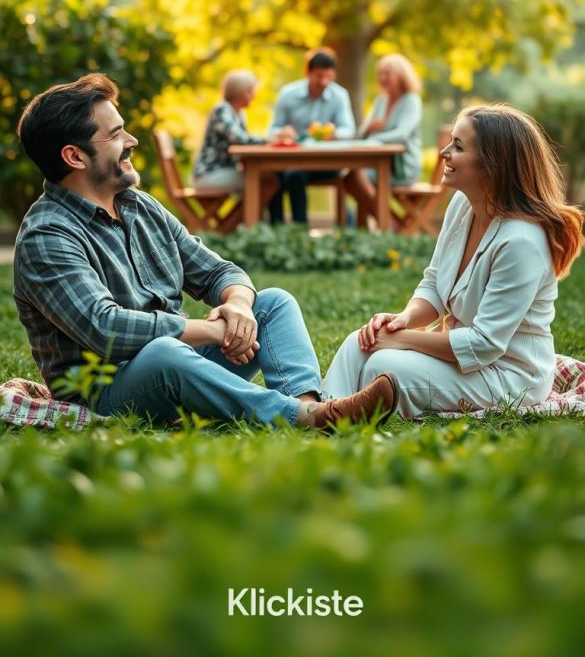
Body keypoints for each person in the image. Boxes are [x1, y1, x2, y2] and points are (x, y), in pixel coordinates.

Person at [13, 74, 397, 428]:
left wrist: (240, 307)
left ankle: (312, 409)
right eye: (115, 135)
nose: (131, 140)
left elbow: (218, 273)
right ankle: (306, 416)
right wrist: (210, 331)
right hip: (108, 391)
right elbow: (105, 327)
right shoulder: (47, 235)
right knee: (164, 353)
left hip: (183, 364)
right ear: (75, 156)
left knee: (273, 303)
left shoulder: (138, 206)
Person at [324, 104, 583, 417]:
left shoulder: (521, 242)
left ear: (492, 165)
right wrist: (403, 319)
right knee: (359, 343)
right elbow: (435, 282)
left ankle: (335, 416)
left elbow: (484, 345)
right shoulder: (463, 204)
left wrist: (402, 340)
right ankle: (317, 410)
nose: (444, 152)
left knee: (382, 363)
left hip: (507, 376)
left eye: (458, 146)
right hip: (461, 358)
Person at [268, 48, 356, 224]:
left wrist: (333, 134)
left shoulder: (339, 95)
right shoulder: (288, 94)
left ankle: (299, 229)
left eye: (328, 77)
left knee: (294, 175)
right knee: (272, 175)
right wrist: (281, 133)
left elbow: (349, 130)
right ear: (308, 73)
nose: (324, 82)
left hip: (325, 162)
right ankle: (275, 228)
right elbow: (272, 131)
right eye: (319, 76)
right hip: (291, 159)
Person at [344, 53, 422, 226]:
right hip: (378, 164)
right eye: (380, 73)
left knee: (356, 177)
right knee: (350, 178)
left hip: (402, 166)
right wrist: (368, 129)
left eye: (387, 73)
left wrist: (375, 139)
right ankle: (392, 224)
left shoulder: (411, 101)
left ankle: (388, 225)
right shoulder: (381, 100)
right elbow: (362, 133)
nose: (382, 78)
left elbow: (402, 134)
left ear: (401, 75)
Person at [193, 69, 277, 217]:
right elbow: (239, 139)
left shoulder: (238, 113)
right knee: (264, 180)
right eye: (251, 91)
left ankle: (238, 225)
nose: (254, 96)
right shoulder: (222, 110)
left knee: (268, 178)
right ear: (240, 92)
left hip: (222, 171)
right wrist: (268, 140)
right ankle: (244, 225)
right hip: (209, 173)